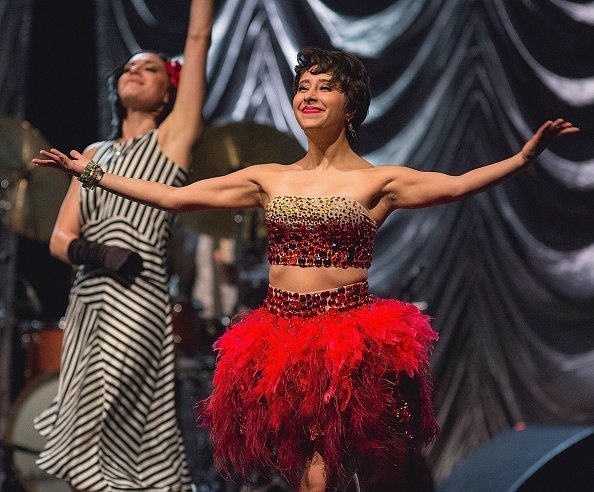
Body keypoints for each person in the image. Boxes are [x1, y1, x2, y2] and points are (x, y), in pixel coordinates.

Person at [34, 47, 579, 492]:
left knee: (332, 476)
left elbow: (458, 185)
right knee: (309, 478)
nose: (309, 96)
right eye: (303, 88)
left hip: (347, 339)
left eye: (325, 87)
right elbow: (177, 199)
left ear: (351, 105)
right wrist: (94, 174)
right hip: (280, 339)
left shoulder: (379, 181)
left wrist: (524, 158)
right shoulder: (268, 176)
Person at [32, 1, 213, 490]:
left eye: (149, 68)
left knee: (106, 407)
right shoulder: (93, 155)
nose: (134, 71)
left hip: (138, 297)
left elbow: (198, 42)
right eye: (128, 67)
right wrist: (97, 254)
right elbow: (59, 238)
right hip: (89, 299)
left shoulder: (172, 139)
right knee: (86, 415)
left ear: (166, 94)